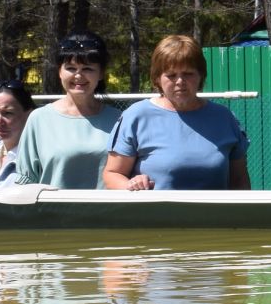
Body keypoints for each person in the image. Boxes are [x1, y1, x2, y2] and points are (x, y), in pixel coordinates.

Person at [104, 35, 251, 190]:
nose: (180, 81)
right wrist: (131, 184)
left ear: (201, 76)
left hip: (214, 214)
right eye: (171, 75)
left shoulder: (224, 118)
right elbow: (112, 174)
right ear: (157, 78)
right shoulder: (136, 116)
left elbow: (239, 180)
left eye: (188, 73)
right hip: (152, 214)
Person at [17, 31, 123, 188]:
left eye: (87, 68)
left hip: (107, 211)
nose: (78, 76)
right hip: (53, 212)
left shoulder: (120, 120)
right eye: (71, 68)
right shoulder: (39, 119)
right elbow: (27, 181)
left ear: (101, 73)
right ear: (59, 71)